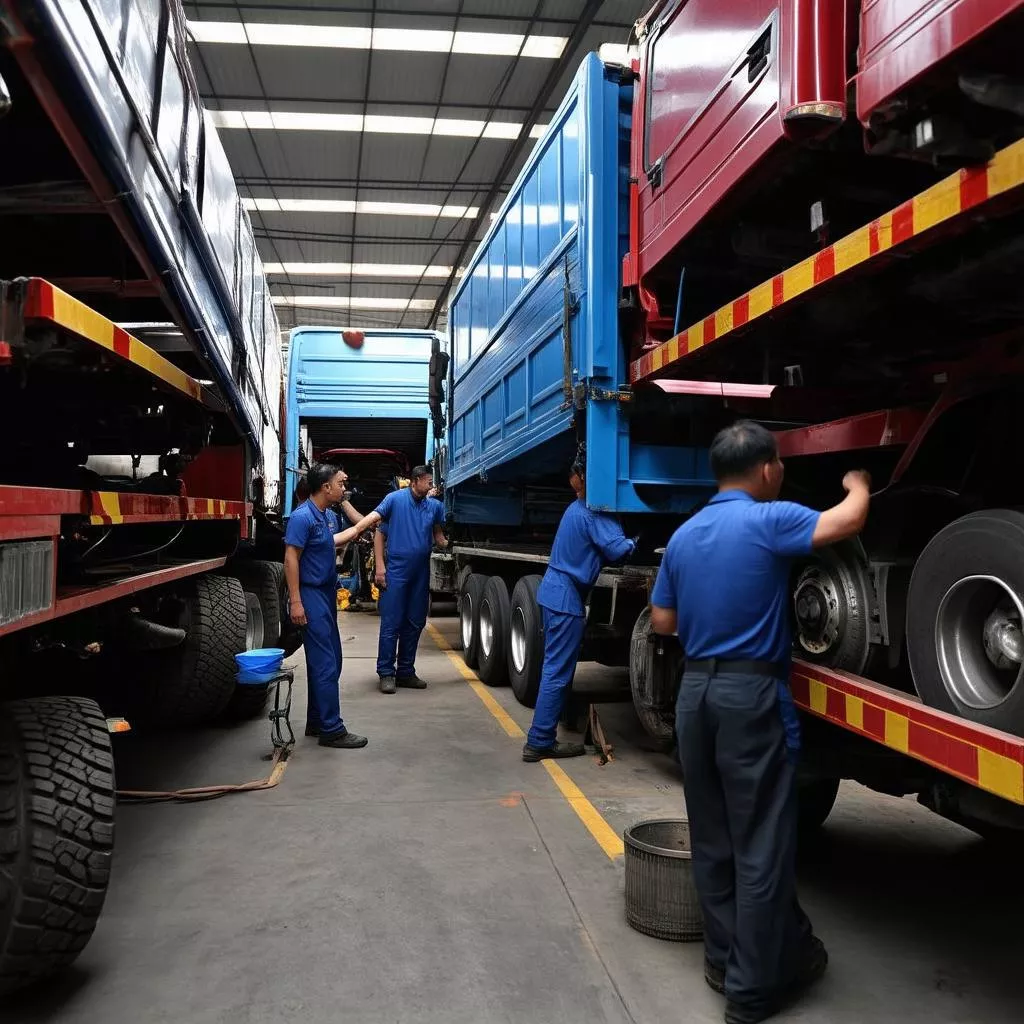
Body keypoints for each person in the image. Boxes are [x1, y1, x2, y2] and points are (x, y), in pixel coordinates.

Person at [649, 421, 871, 1024]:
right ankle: (752, 992)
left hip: (696, 694)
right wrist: (857, 483)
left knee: (715, 837)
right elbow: (846, 522)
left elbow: (663, 623)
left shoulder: (687, 533)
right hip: (751, 694)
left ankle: (723, 961)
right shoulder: (770, 520)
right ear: (768, 469)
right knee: (763, 844)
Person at [522, 459, 636, 762]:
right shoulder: (592, 511)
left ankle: (549, 731)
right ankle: (539, 741)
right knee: (557, 672)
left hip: (556, 594)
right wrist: (634, 541)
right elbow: (616, 549)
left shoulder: (576, 508)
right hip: (565, 598)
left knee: (556, 669)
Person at [284, 462, 373, 749]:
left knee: (328, 660)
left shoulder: (326, 517)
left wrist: (362, 525)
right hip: (310, 595)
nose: (343, 488)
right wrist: (296, 601)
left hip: (324, 594)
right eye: (341, 483)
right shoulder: (302, 517)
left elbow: (330, 542)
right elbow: (291, 559)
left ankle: (317, 720)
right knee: (325, 663)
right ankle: (332, 729)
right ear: (326, 487)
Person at [351, 465, 448, 693]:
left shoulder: (434, 507)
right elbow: (379, 534)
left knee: (415, 622)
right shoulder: (394, 500)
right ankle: (386, 672)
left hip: (420, 572)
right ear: (414, 481)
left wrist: (451, 546)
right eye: (428, 481)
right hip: (396, 570)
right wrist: (380, 568)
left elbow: (438, 536)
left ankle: (406, 672)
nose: (431, 485)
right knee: (391, 622)